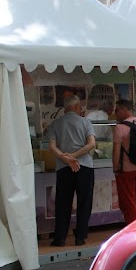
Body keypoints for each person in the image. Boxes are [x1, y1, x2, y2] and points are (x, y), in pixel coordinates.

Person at [46, 95, 96, 247]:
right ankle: (80, 237)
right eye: (80, 106)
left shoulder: (55, 124)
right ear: (76, 107)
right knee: (84, 202)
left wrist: (66, 158)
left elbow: (52, 147)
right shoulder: (86, 122)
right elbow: (91, 144)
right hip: (85, 167)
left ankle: (60, 238)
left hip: (64, 168)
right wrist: (75, 156)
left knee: (62, 203)